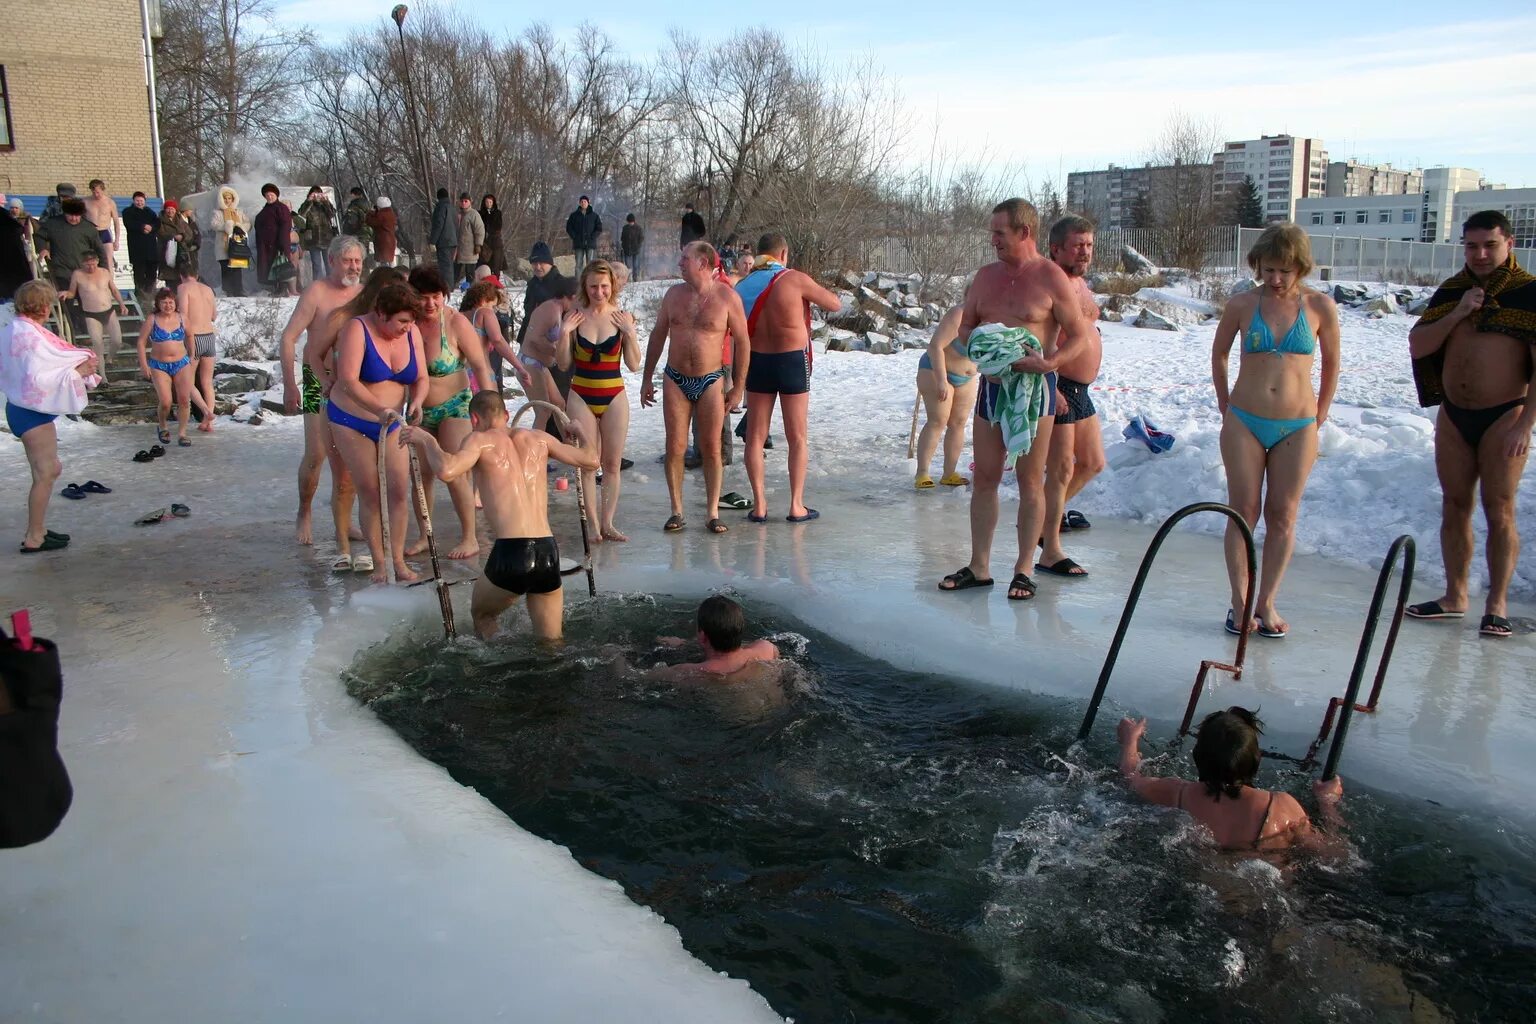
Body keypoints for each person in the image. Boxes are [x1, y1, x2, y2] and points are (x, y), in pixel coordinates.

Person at [937, 199, 1097, 601]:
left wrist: (1050, 364)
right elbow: (966, 327)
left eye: (999, 233)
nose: (993, 240)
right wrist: (979, 356)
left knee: (1030, 480)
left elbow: (1078, 335)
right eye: (992, 232)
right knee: (986, 478)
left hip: (1034, 390)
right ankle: (979, 565)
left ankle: (1025, 568)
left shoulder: (1050, 278)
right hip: (992, 388)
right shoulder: (985, 277)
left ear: (1024, 232)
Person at [1406, 210, 1536, 639]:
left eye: (1489, 245)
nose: (1480, 254)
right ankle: (1454, 595)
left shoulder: (1528, 293)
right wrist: (1458, 313)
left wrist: (1526, 425)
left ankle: (1496, 604)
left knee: (1499, 509)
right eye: (1471, 245)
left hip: (1505, 414)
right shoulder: (1454, 291)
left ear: (1509, 244)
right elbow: (1419, 344)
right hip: (1454, 414)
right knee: (1453, 503)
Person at [1211, 225, 1340, 637]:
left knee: (1282, 514)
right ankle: (1239, 600)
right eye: (1268, 269)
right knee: (1243, 511)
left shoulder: (1320, 306)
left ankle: (1266, 601)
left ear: (1300, 267)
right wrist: (1224, 401)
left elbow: (1333, 363)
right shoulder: (1242, 304)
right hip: (1245, 419)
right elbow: (1219, 352)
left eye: (1284, 270)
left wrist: (1319, 414)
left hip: (1297, 424)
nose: (1276, 279)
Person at [402, 390, 597, 639]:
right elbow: (592, 460)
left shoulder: (479, 440)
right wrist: (579, 432)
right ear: (506, 415)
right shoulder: (539, 438)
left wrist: (426, 440)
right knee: (552, 645)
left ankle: (494, 670)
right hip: (548, 551)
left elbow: (447, 470)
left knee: (483, 615)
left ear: (474, 419)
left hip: (512, 552)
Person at [1117, 709, 1343, 854]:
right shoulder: (1281, 807)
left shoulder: (1176, 794)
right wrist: (1327, 802)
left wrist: (1130, 741)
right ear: (1256, 758)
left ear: (1198, 756)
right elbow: (1332, 855)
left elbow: (1131, 776)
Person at [642, 241, 749, 534]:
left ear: (703, 263)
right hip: (676, 378)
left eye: (684, 259)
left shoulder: (727, 297)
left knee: (711, 448)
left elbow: (743, 341)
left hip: (711, 379)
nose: (679, 263)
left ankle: (713, 512)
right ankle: (676, 510)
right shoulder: (674, 295)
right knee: (674, 446)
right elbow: (658, 335)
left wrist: (738, 387)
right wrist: (646, 378)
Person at [408, 266, 514, 560]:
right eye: (423, 297)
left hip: (455, 405)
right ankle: (422, 534)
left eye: (436, 296)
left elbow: (481, 366)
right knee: (421, 474)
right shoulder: (407, 323)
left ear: (444, 296)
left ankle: (469, 536)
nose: (430, 304)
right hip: (419, 408)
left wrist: (490, 409)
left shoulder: (454, 322)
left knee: (453, 470)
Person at [736, 233, 843, 523]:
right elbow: (834, 304)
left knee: (755, 438)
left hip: (758, 360)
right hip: (791, 360)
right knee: (797, 436)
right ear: (783, 253)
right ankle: (796, 505)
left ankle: (759, 506)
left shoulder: (744, 284)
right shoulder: (794, 279)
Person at [328, 281, 428, 584]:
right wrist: (378, 410)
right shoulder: (356, 329)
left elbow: (421, 376)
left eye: (410, 322)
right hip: (352, 418)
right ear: (382, 313)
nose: (406, 328)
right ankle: (379, 562)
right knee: (371, 490)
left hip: (394, 420)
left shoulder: (412, 331)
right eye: (401, 321)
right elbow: (347, 380)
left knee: (398, 490)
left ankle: (397, 560)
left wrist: (419, 401)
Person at [279, 236, 367, 551]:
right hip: (317, 380)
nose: (354, 267)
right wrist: (290, 384)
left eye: (357, 261)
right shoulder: (317, 292)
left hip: (349, 383)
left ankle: (344, 519)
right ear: (331, 261)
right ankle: (304, 511)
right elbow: (289, 338)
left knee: (350, 458)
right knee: (316, 454)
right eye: (347, 261)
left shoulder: (362, 294)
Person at [1, 281, 99, 553]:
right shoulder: (30, 337)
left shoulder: (14, 330)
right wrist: (77, 372)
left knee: (50, 469)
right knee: (45, 473)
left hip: (22, 408)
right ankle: (34, 536)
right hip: (29, 411)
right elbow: (38, 378)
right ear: (42, 306)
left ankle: (39, 530)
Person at [1038, 215, 1108, 578]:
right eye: (1078, 245)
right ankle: (1050, 548)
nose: (1085, 252)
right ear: (1056, 248)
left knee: (1093, 462)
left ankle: (1039, 520)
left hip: (1081, 388)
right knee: (1062, 468)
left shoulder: (1080, 283)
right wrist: (1050, 382)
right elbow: (1036, 335)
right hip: (1059, 383)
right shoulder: (1050, 283)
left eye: (1089, 245)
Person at [556, 260, 640, 541]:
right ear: (585, 286)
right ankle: (592, 525)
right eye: (593, 286)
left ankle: (608, 523)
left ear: (612, 286)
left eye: (604, 286)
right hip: (581, 393)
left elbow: (634, 364)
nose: (599, 292)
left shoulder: (621, 317)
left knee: (612, 464)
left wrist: (630, 333)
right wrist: (564, 332)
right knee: (588, 463)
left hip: (614, 394)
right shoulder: (575, 316)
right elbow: (563, 363)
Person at [914, 301, 979, 489]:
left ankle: (949, 472)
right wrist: (942, 380)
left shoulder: (992, 318)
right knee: (938, 420)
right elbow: (935, 346)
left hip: (966, 378)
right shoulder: (959, 314)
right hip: (937, 371)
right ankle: (922, 473)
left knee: (958, 423)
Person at [136, 287, 204, 448]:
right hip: (159, 365)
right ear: (158, 304)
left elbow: (189, 334)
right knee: (166, 401)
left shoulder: (182, 318)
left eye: (171, 302)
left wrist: (192, 352)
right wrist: (143, 364)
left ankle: (182, 433)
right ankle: (162, 425)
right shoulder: (152, 319)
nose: (168, 305)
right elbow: (141, 342)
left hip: (181, 362)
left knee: (183, 400)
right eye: (164, 302)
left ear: (175, 303)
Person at [653, 595, 780, 680]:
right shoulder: (766, 648)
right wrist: (685, 644)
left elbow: (640, 678)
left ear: (703, 637)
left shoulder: (689, 672)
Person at [36, 197, 107, 333]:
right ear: (65, 213)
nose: (74, 219)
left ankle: (87, 332)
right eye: (70, 215)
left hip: (84, 274)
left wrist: (104, 271)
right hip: (62, 271)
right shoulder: (53, 224)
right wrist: (43, 249)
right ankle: (67, 332)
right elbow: (39, 236)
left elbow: (100, 251)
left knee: (87, 303)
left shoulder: (88, 228)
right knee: (66, 304)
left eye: (77, 216)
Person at [518, 274, 576, 434]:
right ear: (571, 296)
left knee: (559, 404)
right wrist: (558, 353)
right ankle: (535, 449)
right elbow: (534, 339)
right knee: (543, 411)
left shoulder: (558, 309)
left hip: (540, 365)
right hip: (529, 363)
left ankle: (568, 444)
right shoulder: (550, 309)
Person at [59, 250, 125, 383]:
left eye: (93, 264)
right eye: (88, 265)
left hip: (108, 310)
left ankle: (110, 358)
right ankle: (103, 377)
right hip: (91, 314)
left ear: (97, 262)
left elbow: (114, 289)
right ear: (83, 263)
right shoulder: (77, 274)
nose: (91, 267)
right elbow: (72, 293)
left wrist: (122, 304)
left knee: (117, 340)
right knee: (97, 343)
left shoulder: (105, 272)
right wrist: (66, 293)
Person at [461, 278, 528, 400]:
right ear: (483, 300)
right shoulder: (484, 313)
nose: (493, 310)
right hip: (483, 376)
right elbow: (498, 340)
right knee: (490, 415)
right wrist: (519, 367)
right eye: (492, 305)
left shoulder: (458, 316)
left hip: (462, 377)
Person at [177, 265, 218, 433]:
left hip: (194, 337)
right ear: (197, 275)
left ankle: (206, 413)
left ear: (181, 276)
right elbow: (214, 316)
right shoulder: (208, 289)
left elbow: (184, 314)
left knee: (187, 380)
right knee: (207, 382)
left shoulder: (183, 288)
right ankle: (208, 422)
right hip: (209, 336)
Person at [252, 184, 296, 297]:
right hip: (266, 245)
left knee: (280, 266)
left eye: (271, 195)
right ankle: (276, 288)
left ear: (276, 195)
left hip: (278, 243)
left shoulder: (281, 208)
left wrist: (282, 243)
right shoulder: (265, 210)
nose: (269, 197)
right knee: (271, 267)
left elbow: (285, 226)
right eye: (267, 195)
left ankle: (283, 289)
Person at [121, 191, 160, 302]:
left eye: (141, 201)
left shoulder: (150, 212)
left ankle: (150, 295)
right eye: (137, 201)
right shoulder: (128, 212)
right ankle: (140, 296)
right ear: (133, 201)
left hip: (151, 250)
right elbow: (129, 224)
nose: (139, 203)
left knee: (152, 274)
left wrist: (151, 228)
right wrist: (143, 227)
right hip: (137, 249)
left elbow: (157, 224)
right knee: (139, 274)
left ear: (145, 201)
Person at [211, 186, 249, 297]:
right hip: (223, 245)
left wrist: (240, 227)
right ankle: (228, 290)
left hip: (237, 244)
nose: (227, 201)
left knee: (237, 268)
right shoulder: (218, 212)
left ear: (233, 199)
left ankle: (239, 290)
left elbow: (248, 223)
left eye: (229, 198)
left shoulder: (239, 212)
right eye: (225, 198)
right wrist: (226, 226)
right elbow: (214, 225)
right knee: (226, 268)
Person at [297, 186, 338, 279]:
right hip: (313, 238)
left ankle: (331, 284)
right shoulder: (308, 204)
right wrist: (309, 200)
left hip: (326, 237)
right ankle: (317, 285)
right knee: (316, 264)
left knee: (329, 263)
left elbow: (332, 214)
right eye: (314, 194)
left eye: (319, 194)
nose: (317, 196)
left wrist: (326, 201)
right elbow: (302, 213)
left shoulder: (325, 204)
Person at [83, 180, 121, 270]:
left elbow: (116, 221)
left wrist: (117, 240)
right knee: (89, 260)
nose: (96, 194)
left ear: (102, 190)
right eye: (94, 192)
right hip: (91, 232)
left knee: (108, 261)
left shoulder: (109, 202)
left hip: (104, 232)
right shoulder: (85, 201)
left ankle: (109, 282)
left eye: (98, 192)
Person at [0, 197, 32, 302]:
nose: (14, 210)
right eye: (12, 207)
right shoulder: (9, 221)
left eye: (16, 208)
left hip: (19, 254)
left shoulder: (22, 220)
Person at [565, 195, 601, 277]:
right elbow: (569, 228)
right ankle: (578, 283)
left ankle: (590, 280)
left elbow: (599, 228)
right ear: (579, 203)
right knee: (578, 264)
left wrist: (593, 236)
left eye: (585, 201)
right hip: (578, 243)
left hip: (590, 243)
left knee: (590, 265)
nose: (583, 203)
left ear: (588, 203)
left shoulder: (594, 216)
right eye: (581, 202)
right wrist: (574, 236)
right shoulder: (574, 215)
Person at [454, 192, 484, 288]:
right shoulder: (458, 214)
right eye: (462, 201)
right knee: (455, 272)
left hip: (470, 249)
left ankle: (470, 290)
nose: (463, 203)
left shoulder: (474, 214)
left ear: (470, 202)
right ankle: (451, 289)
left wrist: (478, 244)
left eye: (466, 201)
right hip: (458, 249)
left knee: (470, 274)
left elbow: (479, 230)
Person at [429, 187, 455, 284]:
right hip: (452, 241)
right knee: (449, 265)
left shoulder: (441, 207)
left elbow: (438, 224)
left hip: (443, 241)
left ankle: (447, 287)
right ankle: (449, 285)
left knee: (444, 267)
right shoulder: (452, 208)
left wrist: (433, 241)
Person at [477, 194, 505, 275]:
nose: (488, 204)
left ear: (493, 203)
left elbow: (498, 226)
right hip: (484, 243)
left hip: (496, 242)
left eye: (490, 202)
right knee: (485, 266)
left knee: (496, 265)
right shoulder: (480, 213)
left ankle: (496, 284)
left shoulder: (497, 213)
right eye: (486, 202)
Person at [366, 197, 398, 268]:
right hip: (390, 240)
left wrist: (370, 212)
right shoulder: (391, 214)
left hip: (382, 241)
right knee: (390, 261)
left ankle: (384, 275)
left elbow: (370, 222)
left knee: (382, 262)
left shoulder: (381, 215)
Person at [620, 213, 644, 281]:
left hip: (636, 249)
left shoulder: (638, 228)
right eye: (629, 222)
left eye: (631, 221)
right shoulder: (625, 228)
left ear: (634, 221)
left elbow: (641, 238)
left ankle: (635, 277)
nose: (630, 223)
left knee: (635, 265)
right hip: (626, 249)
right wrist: (623, 246)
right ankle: (628, 277)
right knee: (627, 265)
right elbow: (622, 238)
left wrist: (638, 245)